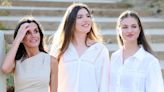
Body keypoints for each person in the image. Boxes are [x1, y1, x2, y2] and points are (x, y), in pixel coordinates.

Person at [50, 3, 110, 92]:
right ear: (70, 22)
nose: (86, 20)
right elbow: (52, 82)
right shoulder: (59, 49)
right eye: (80, 17)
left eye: (88, 16)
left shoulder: (100, 50)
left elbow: (104, 84)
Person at [110, 10, 164, 92]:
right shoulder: (114, 58)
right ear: (118, 30)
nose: (129, 30)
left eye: (134, 26)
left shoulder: (150, 62)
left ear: (139, 29)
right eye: (125, 27)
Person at [1, 16, 58, 92]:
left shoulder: (51, 61)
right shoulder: (17, 61)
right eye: (27, 33)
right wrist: (18, 38)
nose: (33, 35)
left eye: (36, 31)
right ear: (21, 37)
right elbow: (5, 68)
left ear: (40, 35)